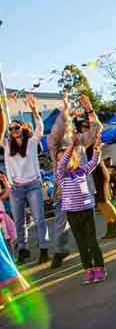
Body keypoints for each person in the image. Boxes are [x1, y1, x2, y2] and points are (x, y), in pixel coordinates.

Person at [47, 94, 104, 268]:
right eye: (66, 125)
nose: (68, 128)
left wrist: (89, 109)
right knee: (61, 224)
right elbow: (55, 132)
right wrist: (65, 111)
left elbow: (96, 129)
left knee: (88, 233)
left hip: (84, 194)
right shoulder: (54, 145)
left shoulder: (79, 141)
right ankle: (60, 251)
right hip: (64, 194)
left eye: (70, 126)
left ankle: (94, 261)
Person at [1, 94, 49, 265]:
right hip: (16, 189)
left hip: (33, 185)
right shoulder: (7, 146)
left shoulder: (31, 142)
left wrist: (34, 109)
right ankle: (23, 249)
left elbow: (40, 128)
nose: (14, 131)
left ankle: (44, 248)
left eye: (17, 128)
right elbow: (1, 129)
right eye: (12, 129)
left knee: (39, 218)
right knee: (19, 221)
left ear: (22, 128)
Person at [55, 133, 107, 284]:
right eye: (60, 160)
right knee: (82, 243)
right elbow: (63, 162)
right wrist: (70, 147)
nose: (63, 161)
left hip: (87, 211)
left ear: (75, 158)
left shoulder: (82, 171)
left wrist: (97, 149)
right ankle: (88, 269)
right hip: (72, 213)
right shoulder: (61, 174)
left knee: (92, 241)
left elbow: (94, 162)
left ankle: (100, 268)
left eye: (67, 157)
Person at [0, 173, 17, 260]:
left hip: (3, 219)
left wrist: (4, 180)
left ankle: (12, 257)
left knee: (9, 240)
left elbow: (9, 190)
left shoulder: (0, 198)